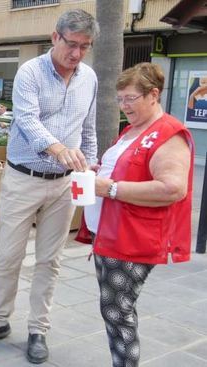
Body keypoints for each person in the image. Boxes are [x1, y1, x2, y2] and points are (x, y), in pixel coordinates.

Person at [0, 9, 99, 364]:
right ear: (55, 37)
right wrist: (59, 150)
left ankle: (38, 329)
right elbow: (25, 120)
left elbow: (88, 127)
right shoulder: (30, 72)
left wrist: (90, 162)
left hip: (63, 185)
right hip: (23, 179)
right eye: (72, 44)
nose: (77, 53)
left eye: (84, 47)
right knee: (9, 256)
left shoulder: (89, 78)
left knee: (50, 261)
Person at [83, 63, 193, 367]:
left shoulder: (168, 133)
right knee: (114, 308)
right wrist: (101, 172)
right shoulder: (134, 130)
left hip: (134, 238)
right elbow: (128, 169)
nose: (123, 106)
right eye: (120, 99)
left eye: (130, 98)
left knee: (118, 310)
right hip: (111, 233)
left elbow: (172, 189)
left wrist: (112, 188)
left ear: (153, 95)